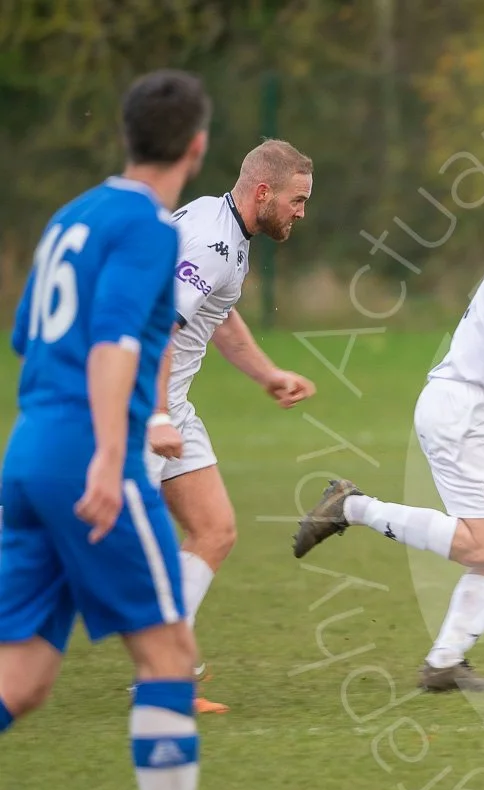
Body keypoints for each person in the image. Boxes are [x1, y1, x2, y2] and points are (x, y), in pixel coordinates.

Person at [0, 69, 281, 790]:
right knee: (164, 656)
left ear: (128, 136)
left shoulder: (70, 217)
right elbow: (118, 344)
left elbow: (25, 336)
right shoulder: (151, 231)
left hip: (26, 451)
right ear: (197, 148)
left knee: (21, 683)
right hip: (90, 457)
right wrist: (114, 451)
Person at [289, 179, 484, 692]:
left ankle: (444, 663)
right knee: (483, 548)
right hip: (464, 413)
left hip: (479, 411)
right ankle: (351, 507)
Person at [147, 139, 318, 714]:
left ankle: (170, 669)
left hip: (167, 405)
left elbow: (216, 316)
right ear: (263, 192)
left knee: (215, 528)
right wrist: (157, 416)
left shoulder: (220, 226)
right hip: (138, 406)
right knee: (68, 543)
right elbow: (158, 326)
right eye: (296, 200)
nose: (301, 212)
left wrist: (267, 373)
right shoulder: (214, 242)